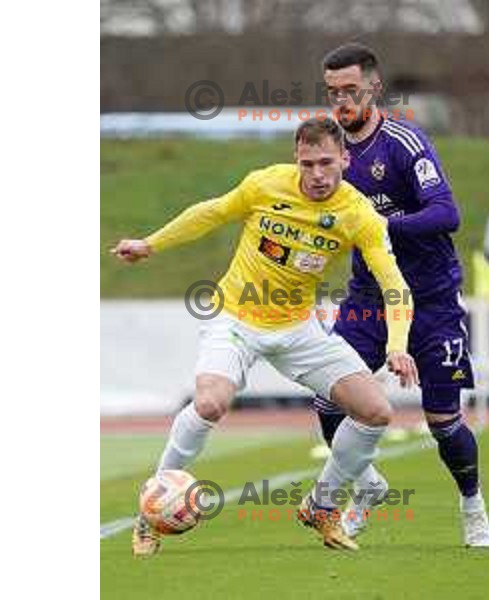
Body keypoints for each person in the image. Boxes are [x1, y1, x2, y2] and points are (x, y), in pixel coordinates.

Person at [112, 117, 418, 555]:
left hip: (298, 327)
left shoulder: (358, 214)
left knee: (376, 411)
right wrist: (151, 244)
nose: (316, 174)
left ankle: (322, 506)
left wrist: (398, 345)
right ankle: (150, 514)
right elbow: (212, 212)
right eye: (308, 163)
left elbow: (394, 283)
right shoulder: (266, 185)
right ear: (296, 159)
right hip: (236, 317)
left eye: (326, 163)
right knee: (210, 403)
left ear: (345, 160)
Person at [312, 43, 489, 547]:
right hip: (369, 299)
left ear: (373, 87)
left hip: (431, 300)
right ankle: (368, 486)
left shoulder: (404, 141)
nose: (341, 102)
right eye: (332, 93)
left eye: (350, 90)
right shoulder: (331, 152)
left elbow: (446, 213)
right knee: (329, 398)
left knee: (443, 422)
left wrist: (382, 226)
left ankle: (472, 504)